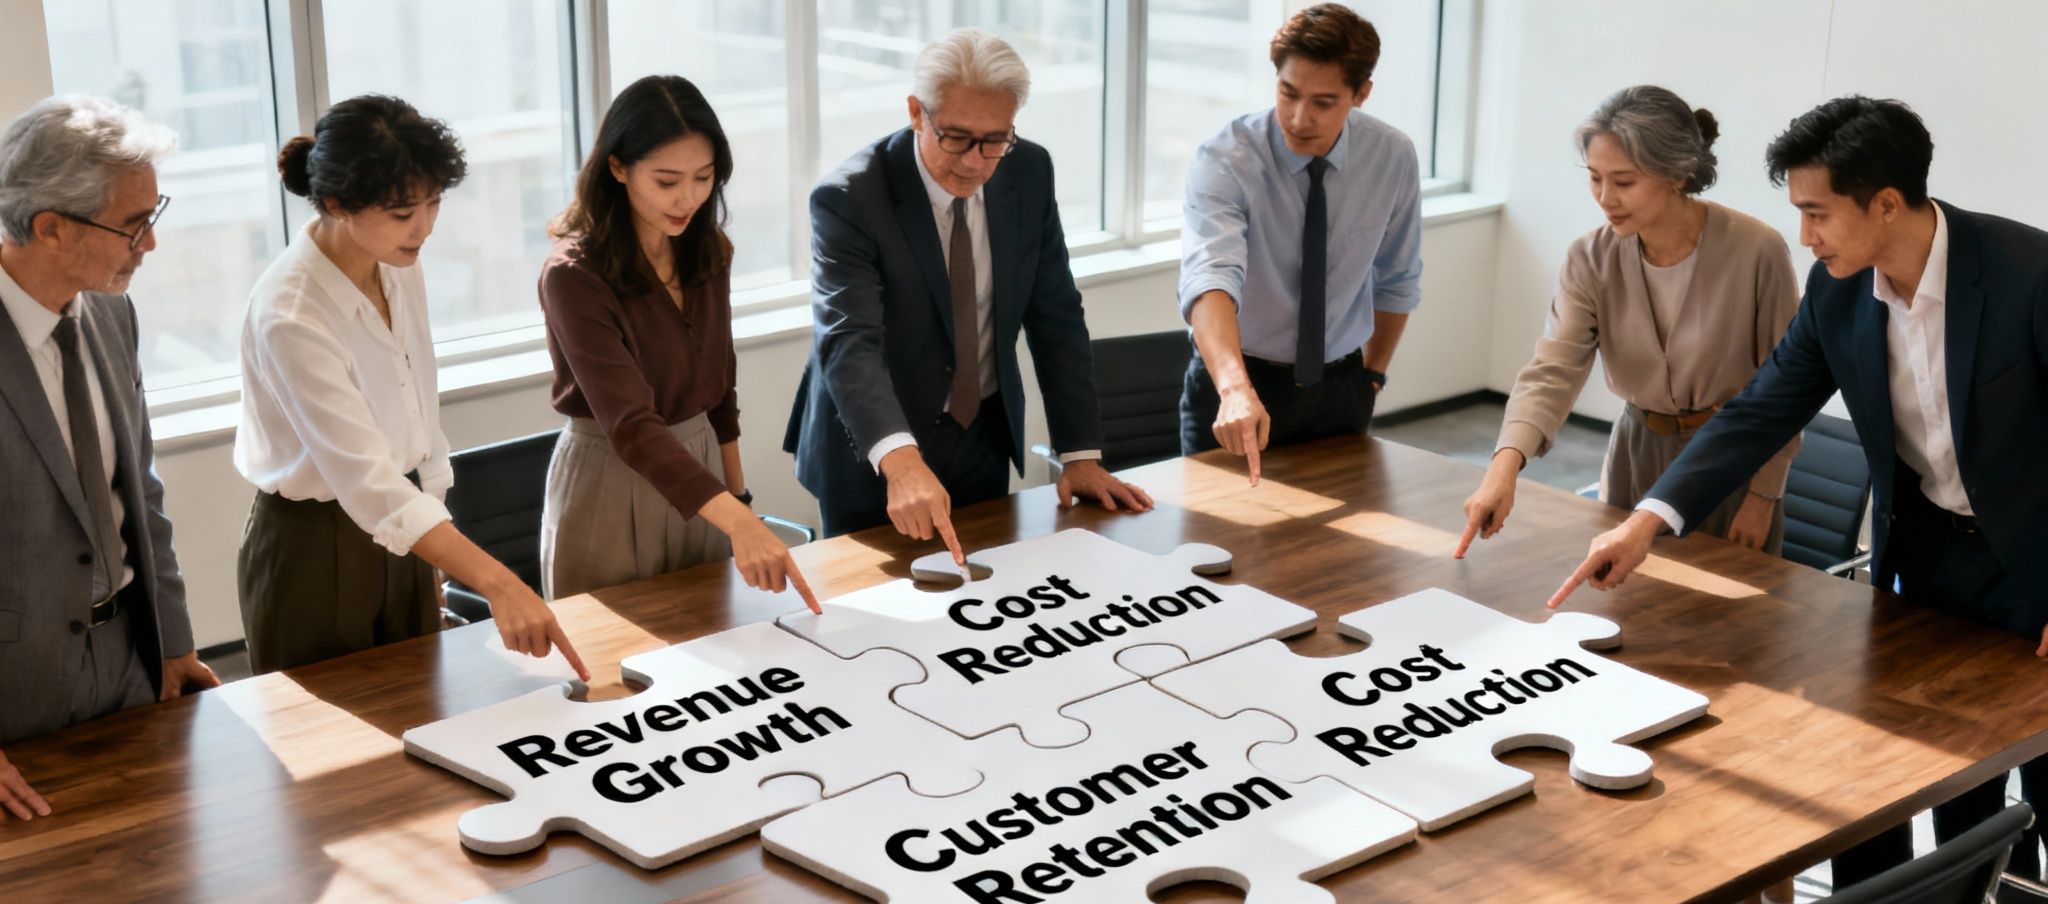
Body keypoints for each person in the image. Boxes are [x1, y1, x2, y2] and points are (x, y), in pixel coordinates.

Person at [1550, 96, 2048, 886]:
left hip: (2038, 566)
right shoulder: (1838, 290)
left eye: (1818, 214)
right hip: (1929, 570)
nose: (1805, 237)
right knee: (1961, 802)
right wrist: (1649, 519)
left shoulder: (2030, 273)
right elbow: (1759, 412)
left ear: (1886, 203)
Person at [236, 96, 588, 679]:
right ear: (336, 202)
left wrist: (434, 537)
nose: (424, 226)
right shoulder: (291, 313)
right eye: (403, 212)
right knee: (335, 753)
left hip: (405, 525)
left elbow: (421, 418)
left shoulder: (399, 261)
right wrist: (498, 581)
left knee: (424, 712)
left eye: (434, 202)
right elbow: (365, 481)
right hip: (314, 547)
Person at [785, 28, 1152, 563]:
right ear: (917, 113)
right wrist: (901, 461)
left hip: (980, 433)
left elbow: (1055, 314)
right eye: (956, 137)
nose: (976, 162)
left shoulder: (1028, 170)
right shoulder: (851, 198)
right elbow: (848, 341)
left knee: (983, 595)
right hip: (874, 450)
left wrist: (1080, 453)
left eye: (995, 140)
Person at [1456, 86, 1800, 558]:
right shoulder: (1589, 257)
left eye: (1624, 181)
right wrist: (1504, 466)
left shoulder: (1757, 250)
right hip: (1633, 455)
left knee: (1727, 620)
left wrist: (1762, 496)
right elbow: (1553, 368)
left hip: (1728, 461)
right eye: (1594, 178)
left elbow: (1786, 387)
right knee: (1624, 607)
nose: (1604, 197)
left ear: (1675, 174)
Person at [0, 95, 218, 821]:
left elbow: (140, 491)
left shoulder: (112, 312)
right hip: (15, 700)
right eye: (132, 224)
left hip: (131, 661)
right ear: (50, 227)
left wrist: (175, 641)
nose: (149, 245)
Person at [539, 76, 817, 612]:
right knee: (621, 669)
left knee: (716, 649)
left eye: (703, 178)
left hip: (704, 476)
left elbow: (720, 393)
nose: (687, 198)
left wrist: (740, 502)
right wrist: (738, 520)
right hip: (611, 477)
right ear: (617, 168)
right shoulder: (573, 275)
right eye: (666, 181)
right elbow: (633, 427)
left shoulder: (707, 251)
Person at [1178, 2, 1423, 486]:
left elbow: (1398, 279)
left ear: (1361, 94)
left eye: (1323, 102)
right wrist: (1234, 388)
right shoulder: (1224, 160)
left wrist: (1370, 380)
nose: (1298, 117)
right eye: (1287, 93)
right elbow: (1210, 278)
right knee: (1224, 548)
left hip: (1341, 387)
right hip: (1240, 384)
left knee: (1346, 553)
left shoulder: (1391, 156)